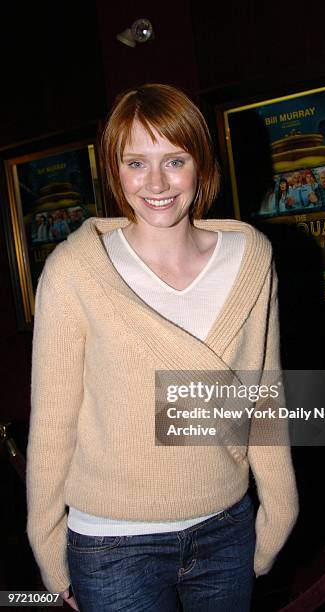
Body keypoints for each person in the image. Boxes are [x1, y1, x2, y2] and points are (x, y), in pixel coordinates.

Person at [26, 83, 298, 612]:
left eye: (175, 160)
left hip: (225, 525)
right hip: (112, 544)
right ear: (114, 169)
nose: (156, 183)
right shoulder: (76, 271)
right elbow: (54, 420)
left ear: (202, 164)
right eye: (135, 162)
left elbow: (265, 395)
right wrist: (48, 549)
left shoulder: (251, 260)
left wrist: (280, 511)